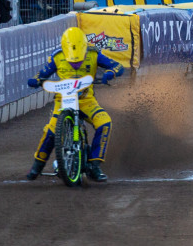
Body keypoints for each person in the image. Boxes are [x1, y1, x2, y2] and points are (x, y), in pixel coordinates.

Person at [25, 27, 124, 181]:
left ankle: (95, 165)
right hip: (62, 101)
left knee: (105, 123)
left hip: (86, 101)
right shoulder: (57, 57)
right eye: (73, 61)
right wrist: (36, 80)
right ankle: (37, 166)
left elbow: (117, 66)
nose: (76, 63)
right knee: (51, 131)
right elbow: (42, 74)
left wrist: (111, 72)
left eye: (80, 60)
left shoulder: (94, 54)